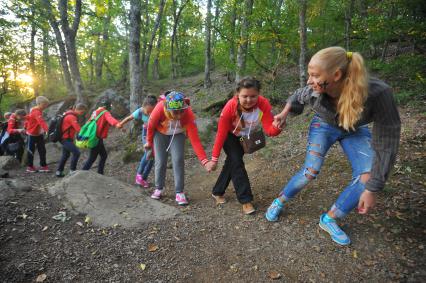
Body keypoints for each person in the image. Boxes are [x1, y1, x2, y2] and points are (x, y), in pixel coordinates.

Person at [265, 46, 401, 246]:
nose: (309, 80)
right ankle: (279, 201)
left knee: (368, 176)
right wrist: (285, 113)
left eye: (314, 75)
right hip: (324, 126)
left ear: (336, 74)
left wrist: (373, 188)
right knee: (310, 171)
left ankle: (330, 219)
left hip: (354, 128)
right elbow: (296, 95)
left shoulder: (378, 93)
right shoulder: (313, 91)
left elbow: (387, 141)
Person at [206, 77, 281, 215]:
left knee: (232, 162)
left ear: (258, 94)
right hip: (230, 135)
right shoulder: (230, 106)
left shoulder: (263, 104)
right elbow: (221, 134)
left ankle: (217, 191)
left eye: (253, 96)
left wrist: (277, 127)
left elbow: (270, 130)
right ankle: (245, 200)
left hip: (245, 137)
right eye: (244, 96)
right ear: (237, 94)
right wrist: (214, 159)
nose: (248, 100)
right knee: (237, 162)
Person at [145, 91, 212, 205]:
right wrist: (149, 143)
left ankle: (179, 192)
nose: (179, 115)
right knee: (160, 161)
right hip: (160, 133)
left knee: (178, 159)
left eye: (182, 111)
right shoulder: (159, 108)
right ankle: (159, 188)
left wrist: (204, 161)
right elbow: (150, 127)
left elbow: (195, 140)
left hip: (178, 133)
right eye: (175, 112)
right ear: (168, 109)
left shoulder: (188, 114)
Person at [119, 95, 157, 187]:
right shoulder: (139, 111)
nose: (149, 113)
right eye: (148, 111)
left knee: (152, 158)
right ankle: (139, 175)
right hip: (146, 133)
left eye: (151, 111)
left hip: (156, 133)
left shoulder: (157, 110)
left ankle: (143, 179)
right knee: (148, 152)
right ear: (144, 106)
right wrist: (120, 124)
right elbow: (129, 118)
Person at [82, 99, 122, 175]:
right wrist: (117, 124)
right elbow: (110, 119)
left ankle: (100, 172)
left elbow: (89, 122)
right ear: (107, 106)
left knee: (103, 155)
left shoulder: (95, 112)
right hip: (97, 138)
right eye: (110, 106)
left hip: (92, 136)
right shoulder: (105, 112)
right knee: (92, 158)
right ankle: (82, 173)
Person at [55, 103, 88, 177]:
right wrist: (87, 135)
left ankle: (59, 171)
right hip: (65, 139)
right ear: (77, 109)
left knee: (65, 155)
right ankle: (72, 171)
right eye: (82, 112)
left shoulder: (70, 114)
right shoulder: (71, 117)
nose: (81, 114)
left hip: (66, 138)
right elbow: (78, 129)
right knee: (76, 153)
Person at [25, 96, 50, 173]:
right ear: (39, 104)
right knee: (31, 150)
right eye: (44, 104)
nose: (46, 106)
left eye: (46, 104)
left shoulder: (38, 110)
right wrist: (47, 130)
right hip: (31, 134)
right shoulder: (36, 111)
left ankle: (43, 166)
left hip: (39, 134)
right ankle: (30, 167)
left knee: (42, 150)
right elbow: (41, 121)